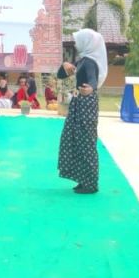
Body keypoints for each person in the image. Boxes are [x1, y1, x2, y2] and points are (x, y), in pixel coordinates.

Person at [56, 29, 108, 195]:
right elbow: (61, 75)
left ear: (87, 42)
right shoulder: (83, 60)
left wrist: (91, 88)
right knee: (76, 140)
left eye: (78, 40)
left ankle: (90, 183)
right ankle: (82, 179)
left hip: (86, 104)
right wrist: (64, 66)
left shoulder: (90, 62)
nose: (75, 44)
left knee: (86, 142)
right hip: (79, 103)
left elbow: (92, 79)